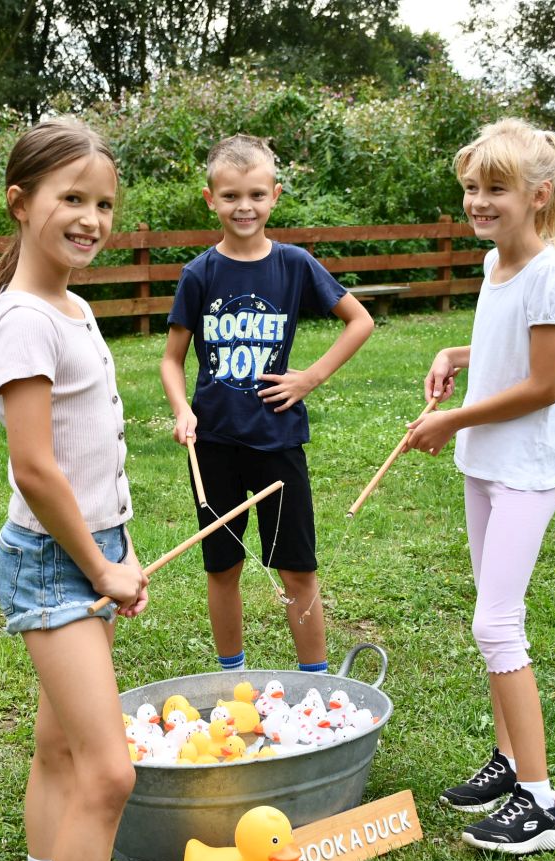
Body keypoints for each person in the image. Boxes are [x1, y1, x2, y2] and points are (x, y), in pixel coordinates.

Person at [0, 118, 157, 861]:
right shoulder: (24, 320)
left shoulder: (72, 304)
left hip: (88, 553)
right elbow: (37, 471)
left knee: (58, 752)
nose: (91, 217)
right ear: (21, 204)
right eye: (71, 199)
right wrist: (100, 566)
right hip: (55, 563)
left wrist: (118, 551)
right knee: (108, 771)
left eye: (103, 203)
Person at [403, 118, 555, 855]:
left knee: (494, 624)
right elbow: (509, 345)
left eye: (496, 189)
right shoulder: (496, 266)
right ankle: (511, 762)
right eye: (472, 188)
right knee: (495, 611)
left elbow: (542, 384)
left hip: (527, 468)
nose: (479, 201)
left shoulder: (551, 274)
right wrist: (455, 351)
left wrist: (453, 419)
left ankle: (542, 805)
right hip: (485, 461)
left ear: (539, 196)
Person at [159, 134, 375, 675]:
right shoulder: (199, 274)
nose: (244, 207)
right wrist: (182, 408)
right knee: (223, 566)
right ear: (211, 199)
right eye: (231, 196)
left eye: (256, 194)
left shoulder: (295, 264)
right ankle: (232, 674)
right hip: (214, 445)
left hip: (279, 441)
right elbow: (171, 359)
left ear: (274, 196)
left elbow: (360, 321)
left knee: (297, 569)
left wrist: (310, 378)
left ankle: (317, 680)